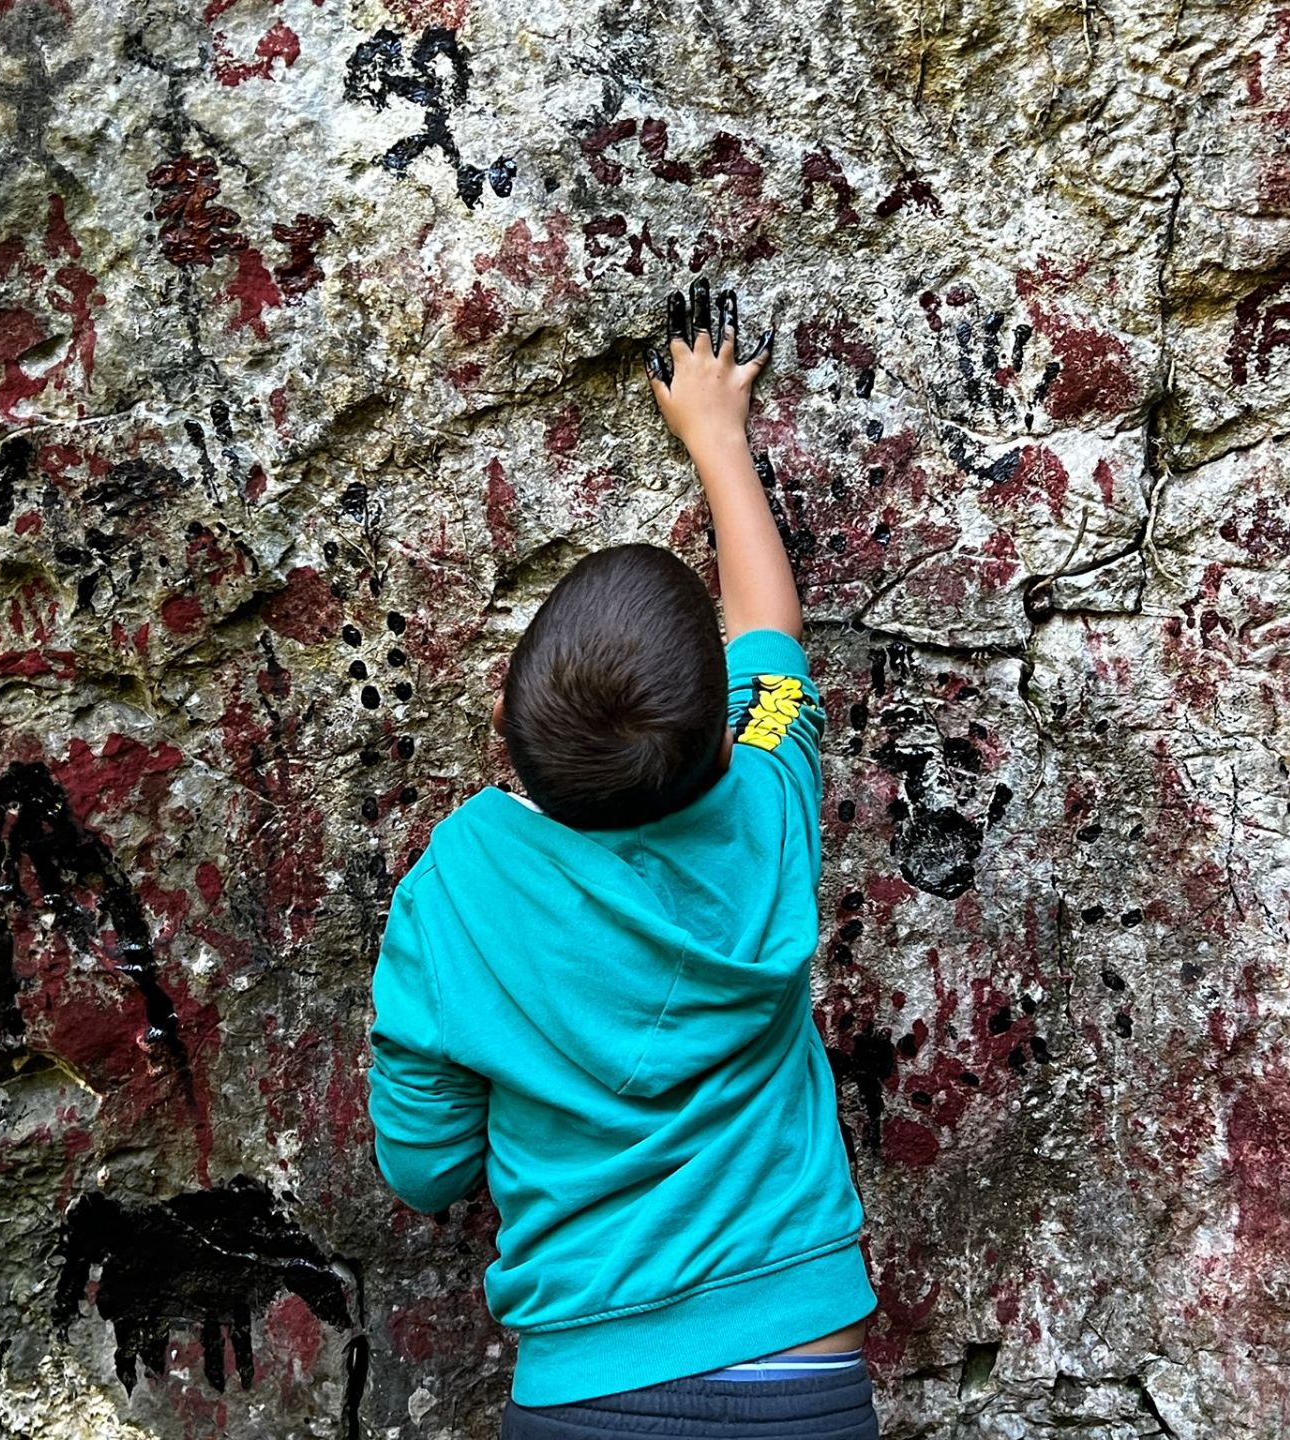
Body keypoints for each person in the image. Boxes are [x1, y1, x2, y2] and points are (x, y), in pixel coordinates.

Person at [366, 274, 880, 1439]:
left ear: (508, 724)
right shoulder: (767, 799)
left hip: (589, 1389)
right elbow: (770, 637)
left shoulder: (454, 897)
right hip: (805, 1369)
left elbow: (424, 1169)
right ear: (718, 729)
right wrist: (717, 436)